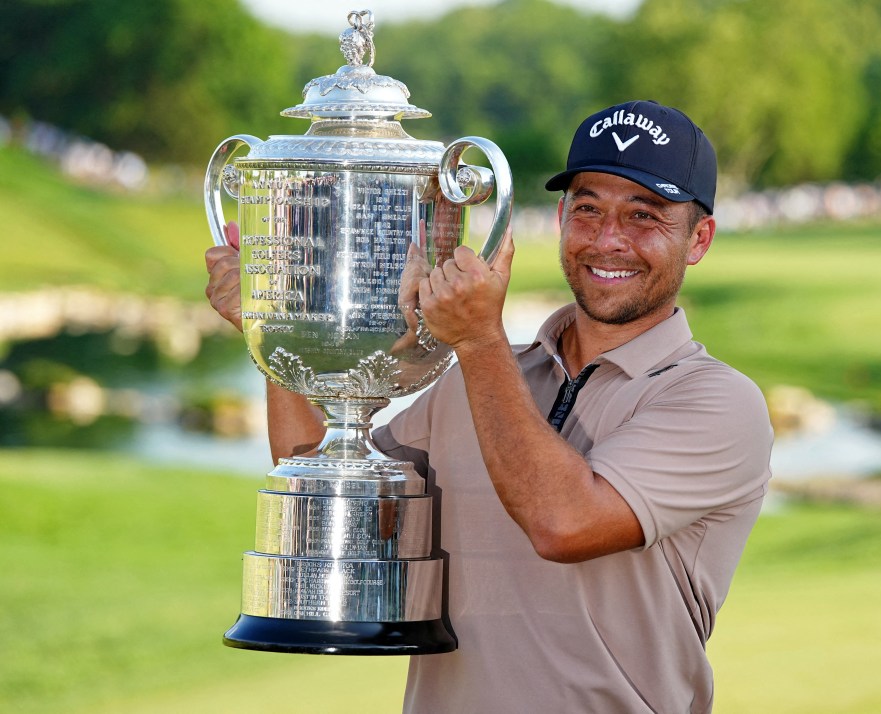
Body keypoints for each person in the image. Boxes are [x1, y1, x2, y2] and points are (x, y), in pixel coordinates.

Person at [205, 99, 773, 714]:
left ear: (699, 239)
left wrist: (478, 340)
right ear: (561, 218)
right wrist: (272, 331)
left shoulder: (716, 401)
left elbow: (563, 523)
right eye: (588, 208)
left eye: (646, 216)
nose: (609, 240)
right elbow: (327, 493)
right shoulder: (484, 379)